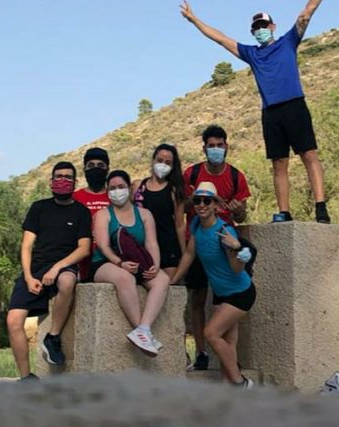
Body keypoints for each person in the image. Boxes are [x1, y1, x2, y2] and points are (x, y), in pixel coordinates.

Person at [180, 0, 339, 224]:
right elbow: (221, 39)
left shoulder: (288, 41)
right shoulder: (252, 54)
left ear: (272, 26)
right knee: (279, 163)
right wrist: (195, 20)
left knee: (309, 155)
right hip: (271, 112)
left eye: (264, 25)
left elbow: (307, 12)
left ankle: (320, 206)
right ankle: (284, 211)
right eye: (256, 28)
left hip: (294, 105)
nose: (260, 30)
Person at [7, 161, 91, 381]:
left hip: (64, 265)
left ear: (75, 182)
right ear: (51, 181)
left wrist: (57, 267)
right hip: (35, 268)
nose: (63, 180)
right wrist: (28, 277)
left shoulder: (81, 212)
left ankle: (52, 338)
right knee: (13, 320)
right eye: (59, 176)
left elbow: (84, 248)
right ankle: (26, 378)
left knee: (67, 282)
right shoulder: (38, 208)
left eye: (68, 177)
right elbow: (26, 246)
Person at [171, 181, 256, 389]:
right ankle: (229, 386)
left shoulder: (224, 232)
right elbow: (189, 254)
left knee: (211, 333)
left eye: (207, 201)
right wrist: (173, 281)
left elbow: (236, 269)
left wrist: (238, 250)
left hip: (240, 292)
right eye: (197, 201)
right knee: (229, 341)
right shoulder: (196, 226)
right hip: (221, 293)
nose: (201, 205)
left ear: (216, 205)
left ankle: (240, 382)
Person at [182, 124, 250, 371]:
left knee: (226, 302)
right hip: (198, 243)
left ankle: (229, 359)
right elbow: (182, 207)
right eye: (211, 146)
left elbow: (241, 216)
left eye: (219, 145)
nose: (215, 150)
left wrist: (238, 210)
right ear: (204, 148)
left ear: (227, 147)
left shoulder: (236, 176)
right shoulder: (191, 174)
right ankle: (201, 353)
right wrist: (195, 198)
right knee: (198, 298)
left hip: (224, 245)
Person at [89, 170, 170, 356]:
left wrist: (155, 265)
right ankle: (141, 331)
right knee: (125, 278)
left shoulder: (144, 214)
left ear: (130, 188)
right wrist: (120, 263)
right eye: (112, 188)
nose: (117, 191)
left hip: (137, 261)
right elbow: (103, 245)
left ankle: (144, 329)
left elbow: (151, 243)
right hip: (106, 262)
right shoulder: (103, 215)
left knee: (162, 280)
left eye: (121, 187)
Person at [132, 143, 186, 279]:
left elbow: (179, 225)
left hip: (168, 247)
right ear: (153, 160)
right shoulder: (138, 187)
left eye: (168, 163)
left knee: (170, 285)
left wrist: (184, 255)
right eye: (160, 160)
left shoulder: (174, 190)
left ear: (173, 167)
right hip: (141, 247)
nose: (163, 165)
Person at [73, 147, 111, 282]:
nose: (96, 169)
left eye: (100, 165)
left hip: (109, 259)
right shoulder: (74, 197)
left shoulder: (116, 196)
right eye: (91, 165)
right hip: (80, 261)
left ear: (107, 169)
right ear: (84, 169)